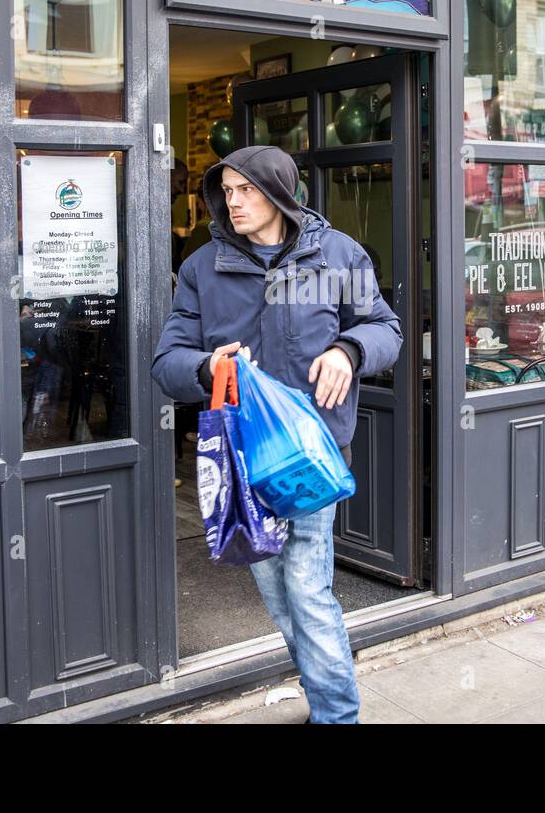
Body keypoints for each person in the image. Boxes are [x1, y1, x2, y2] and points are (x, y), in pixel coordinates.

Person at [151, 144, 403, 724]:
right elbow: (166, 363)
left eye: (246, 190)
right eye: (227, 192)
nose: (232, 202)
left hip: (311, 457)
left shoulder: (338, 256)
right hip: (242, 463)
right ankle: (325, 699)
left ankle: (337, 716)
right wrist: (208, 367)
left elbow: (385, 328)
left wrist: (349, 349)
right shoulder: (201, 268)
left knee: (309, 593)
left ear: (279, 194)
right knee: (280, 600)